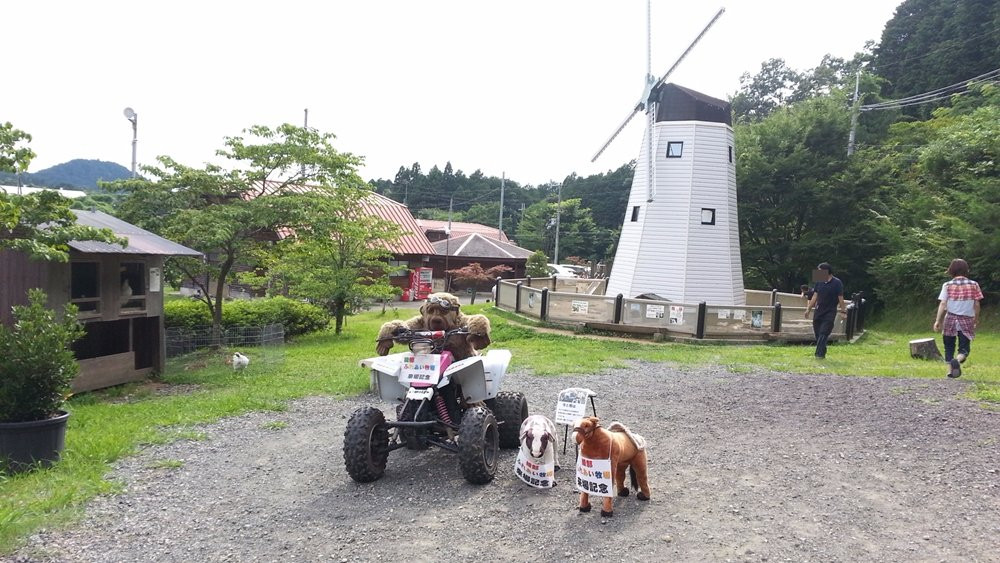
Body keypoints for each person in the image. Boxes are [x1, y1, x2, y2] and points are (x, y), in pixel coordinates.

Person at [933, 258, 983, 378]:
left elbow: (943, 304)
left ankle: (950, 371)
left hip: (950, 319)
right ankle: (958, 360)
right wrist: (976, 318)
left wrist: (938, 320)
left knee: (949, 346)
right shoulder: (974, 284)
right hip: (967, 319)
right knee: (964, 348)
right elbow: (976, 304)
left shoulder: (947, 285)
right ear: (966, 270)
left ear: (951, 270)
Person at [804, 263, 847, 359]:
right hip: (819, 311)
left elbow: (841, 298)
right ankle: (822, 350)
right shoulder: (819, 281)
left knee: (824, 332)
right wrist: (808, 309)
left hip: (830, 311)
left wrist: (843, 311)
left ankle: (818, 355)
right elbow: (815, 296)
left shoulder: (837, 282)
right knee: (818, 334)